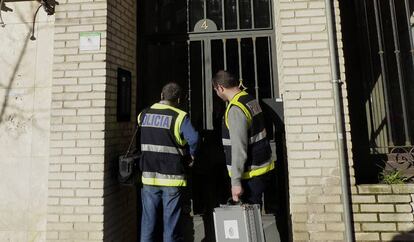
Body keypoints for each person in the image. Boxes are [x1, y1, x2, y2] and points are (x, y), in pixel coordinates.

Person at [138, 82, 199, 242]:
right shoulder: (180, 116)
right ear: (178, 100)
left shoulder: (143, 114)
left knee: (148, 224)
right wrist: (191, 155)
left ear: (161, 95)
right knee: (171, 226)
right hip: (172, 177)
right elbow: (194, 138)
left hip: (149, 176)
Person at [212, 70, 274, 205]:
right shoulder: (248, 99)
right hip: (262, 166)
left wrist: (235, 182)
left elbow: (239, 148)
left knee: (249, 220)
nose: (217, 94)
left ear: (220, 88)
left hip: (250, 173)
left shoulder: (235, 109)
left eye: (216, 90)